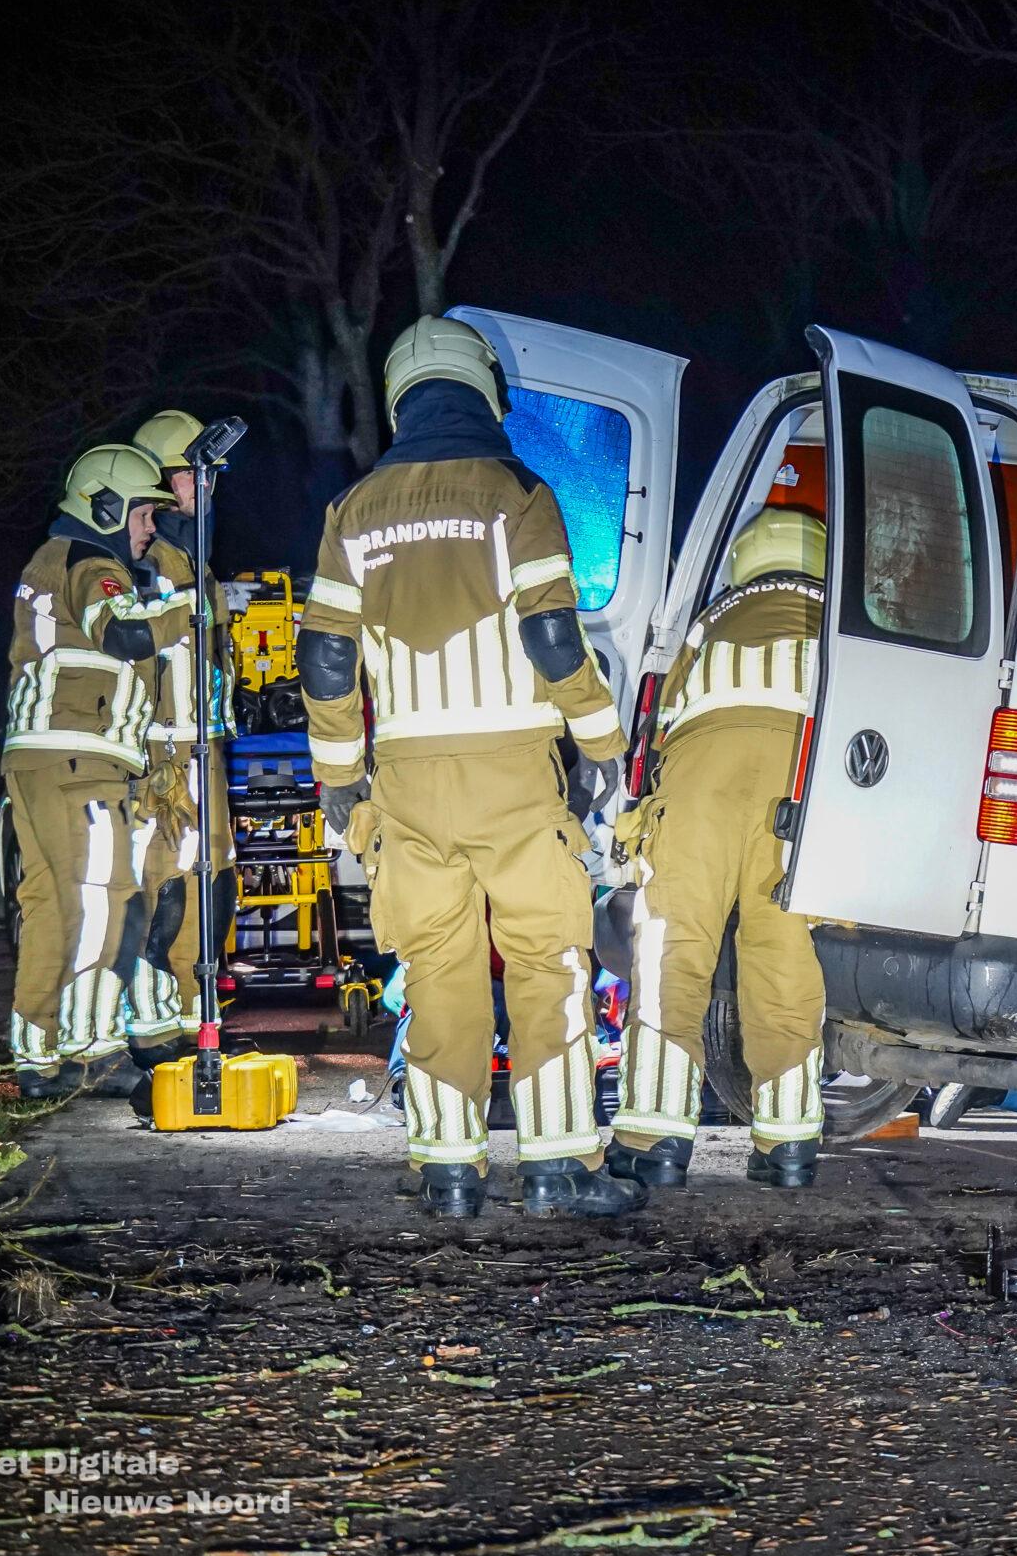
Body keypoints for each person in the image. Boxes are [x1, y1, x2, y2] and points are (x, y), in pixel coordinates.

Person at [299, 315, 642, 1219]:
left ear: (400, 399)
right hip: (513, 776)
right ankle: (558, 1167)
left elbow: (325, 658)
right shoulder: (517, 493)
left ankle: (448, 1172)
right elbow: (553, 635)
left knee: (438, 966)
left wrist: (339, 777)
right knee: (546, 961)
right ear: (483, 391)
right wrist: (602, 744)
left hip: (406, 781)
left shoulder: (352, 511)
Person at [608, 506, 829, 1190]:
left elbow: (656, 723)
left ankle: (655, 1139)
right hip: (798, 789)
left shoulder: (710, 621)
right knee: (783, 956)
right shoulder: (836, 622)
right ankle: (788, 1146)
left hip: (702, 784)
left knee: (674, 948)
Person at [1, 444, 194, 1098]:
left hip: (43, 758)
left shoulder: (53, 559)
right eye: (142, 514)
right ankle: (87, 1049)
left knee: (50, 904)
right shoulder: (91, 562)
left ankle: (38, 1056)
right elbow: (127, 635)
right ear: (105, 506)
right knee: (101, 898)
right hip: (78, 760)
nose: (149, 528)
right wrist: (193, 605)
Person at [122, 411, 237, 1073]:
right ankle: (150, 1033)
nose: (209, 487)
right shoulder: (141, 566)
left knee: (211, 889)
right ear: (164, 483)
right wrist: (140, 759)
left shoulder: (198, 565)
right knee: (159, 893)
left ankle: (197, 1026)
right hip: (160, 759)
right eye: (198, 475)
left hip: (204, 755)